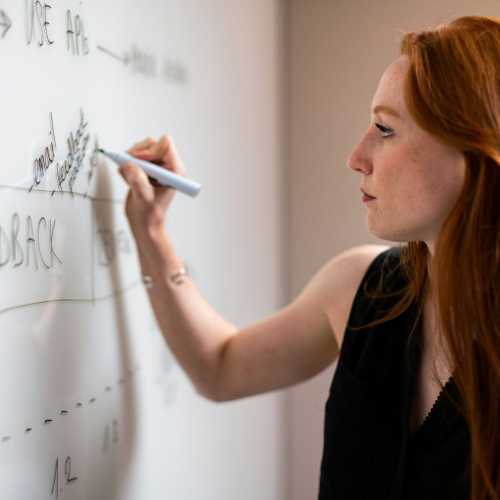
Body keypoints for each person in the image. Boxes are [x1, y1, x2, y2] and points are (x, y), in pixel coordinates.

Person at [119, 15, 500, 500]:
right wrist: (152, 231)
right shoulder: (361, 288)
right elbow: (218, 367)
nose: (356, 157)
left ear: (472, 153)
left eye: (385, 129)